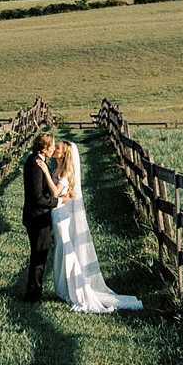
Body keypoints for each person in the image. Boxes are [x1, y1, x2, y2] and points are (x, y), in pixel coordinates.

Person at [48, 140, 142, 312]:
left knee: (66, 249)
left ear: (65, 153)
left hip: (61, 214)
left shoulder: (67, 171)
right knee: (60, 248)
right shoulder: (56, 169)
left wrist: (45, 174)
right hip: (55, 213)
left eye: (58, 148)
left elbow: (55, 192)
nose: (54, 150)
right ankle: (64, 287)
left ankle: (78, 289)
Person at [20, 132, 66, 300]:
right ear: (44, 149)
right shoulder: (35, 164)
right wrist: (59, 202)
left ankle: (34, 291)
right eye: (52, 147)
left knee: (39, 255)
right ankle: (32, 294)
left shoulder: (37, 162)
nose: (53, 149)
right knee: (38, 256)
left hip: (38, 217)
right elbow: (37, 198)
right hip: (37, 218)